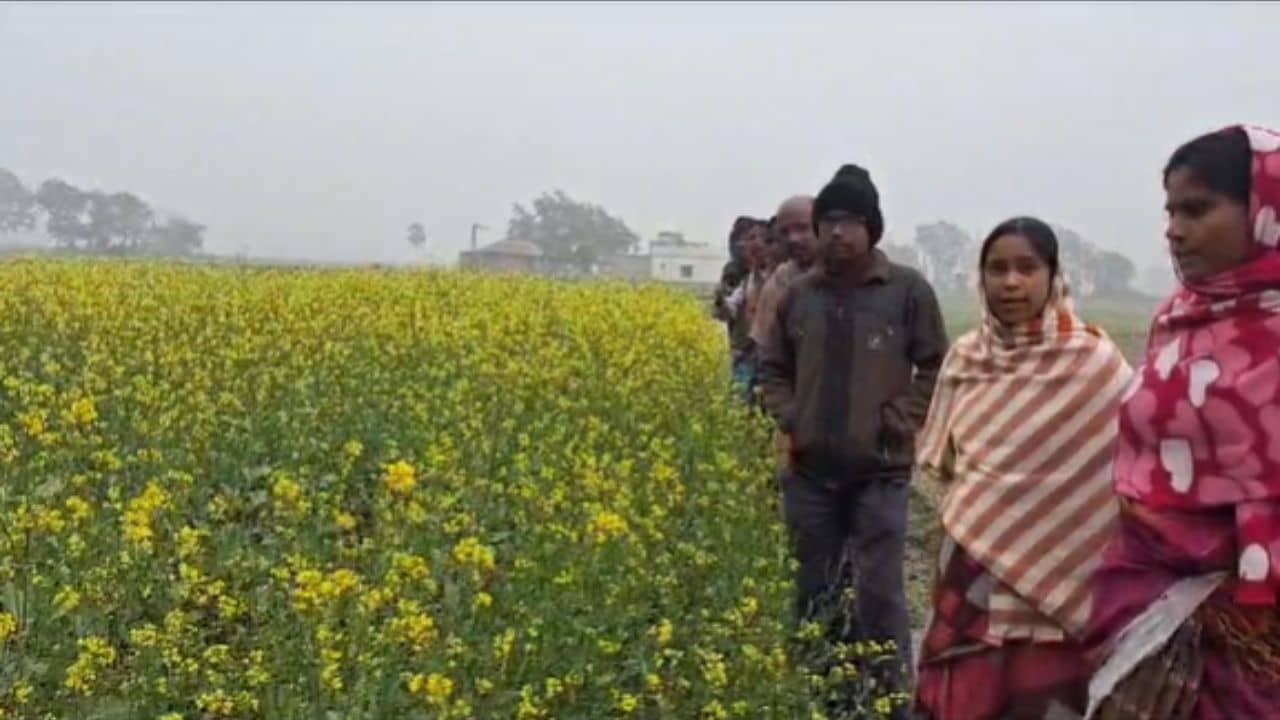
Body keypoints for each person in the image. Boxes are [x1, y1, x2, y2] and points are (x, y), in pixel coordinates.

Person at [1086, 125, 1280, 719]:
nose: (1174, 230)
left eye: (1196, 209)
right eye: (1170, 210)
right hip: (1144, 597)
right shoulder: (1177, 317)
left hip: (1256, 633)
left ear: (1264, 212)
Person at [912, 218, 1133, 720]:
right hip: (973, 571)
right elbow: (948, 464)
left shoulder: (1097, 364)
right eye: (997, 269)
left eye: (1026, 268)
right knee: (961, 696)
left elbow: (1123, 476)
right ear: (981, 279)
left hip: (1063, 577)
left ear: (1053, 277)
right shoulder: (967, 358)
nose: (1011, 282)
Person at [758, 165, 949, 705]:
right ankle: (825, 695)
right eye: (829, 222)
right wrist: (792, 415)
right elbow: (772, 366)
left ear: (872, 229)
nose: (837, 232)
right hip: (810, 473)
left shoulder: (906, 291)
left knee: (880, 594)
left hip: (881, 472)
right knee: (814, 590)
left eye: (851, 221)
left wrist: (904, 414)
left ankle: (890, 699)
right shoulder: (798, 295)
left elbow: (937, 365)